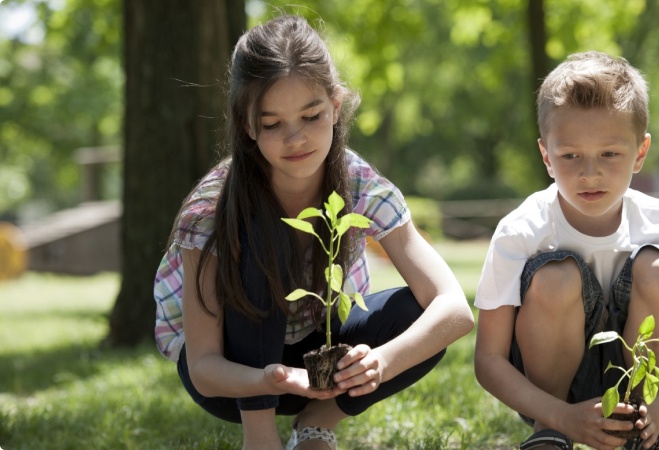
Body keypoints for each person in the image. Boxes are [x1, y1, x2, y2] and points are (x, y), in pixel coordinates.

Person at [153, 14, 474, 450]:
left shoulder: (358, 182)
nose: (295, 138)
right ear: (247, 126)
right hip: (237, 377)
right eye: (271, 124)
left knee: (416, 313)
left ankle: (316, 425)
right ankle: (261, 438)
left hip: (324, 363)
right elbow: (205, 368)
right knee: (265, 238)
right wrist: (265, 379)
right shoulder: (212, 208)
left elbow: (454, 308)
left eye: (311, 115)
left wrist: (379, 362)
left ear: (336, 105)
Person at [473, 51, 659, 450]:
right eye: (570, 155)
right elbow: (489, 360)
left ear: (640, 153)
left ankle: (646, 432)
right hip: (554, 398)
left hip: (647, 397)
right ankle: (550, 435)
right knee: (554, 278)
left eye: (609, 154)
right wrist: (560, 416)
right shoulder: (520, 230)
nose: (589, 173)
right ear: (546, 155)